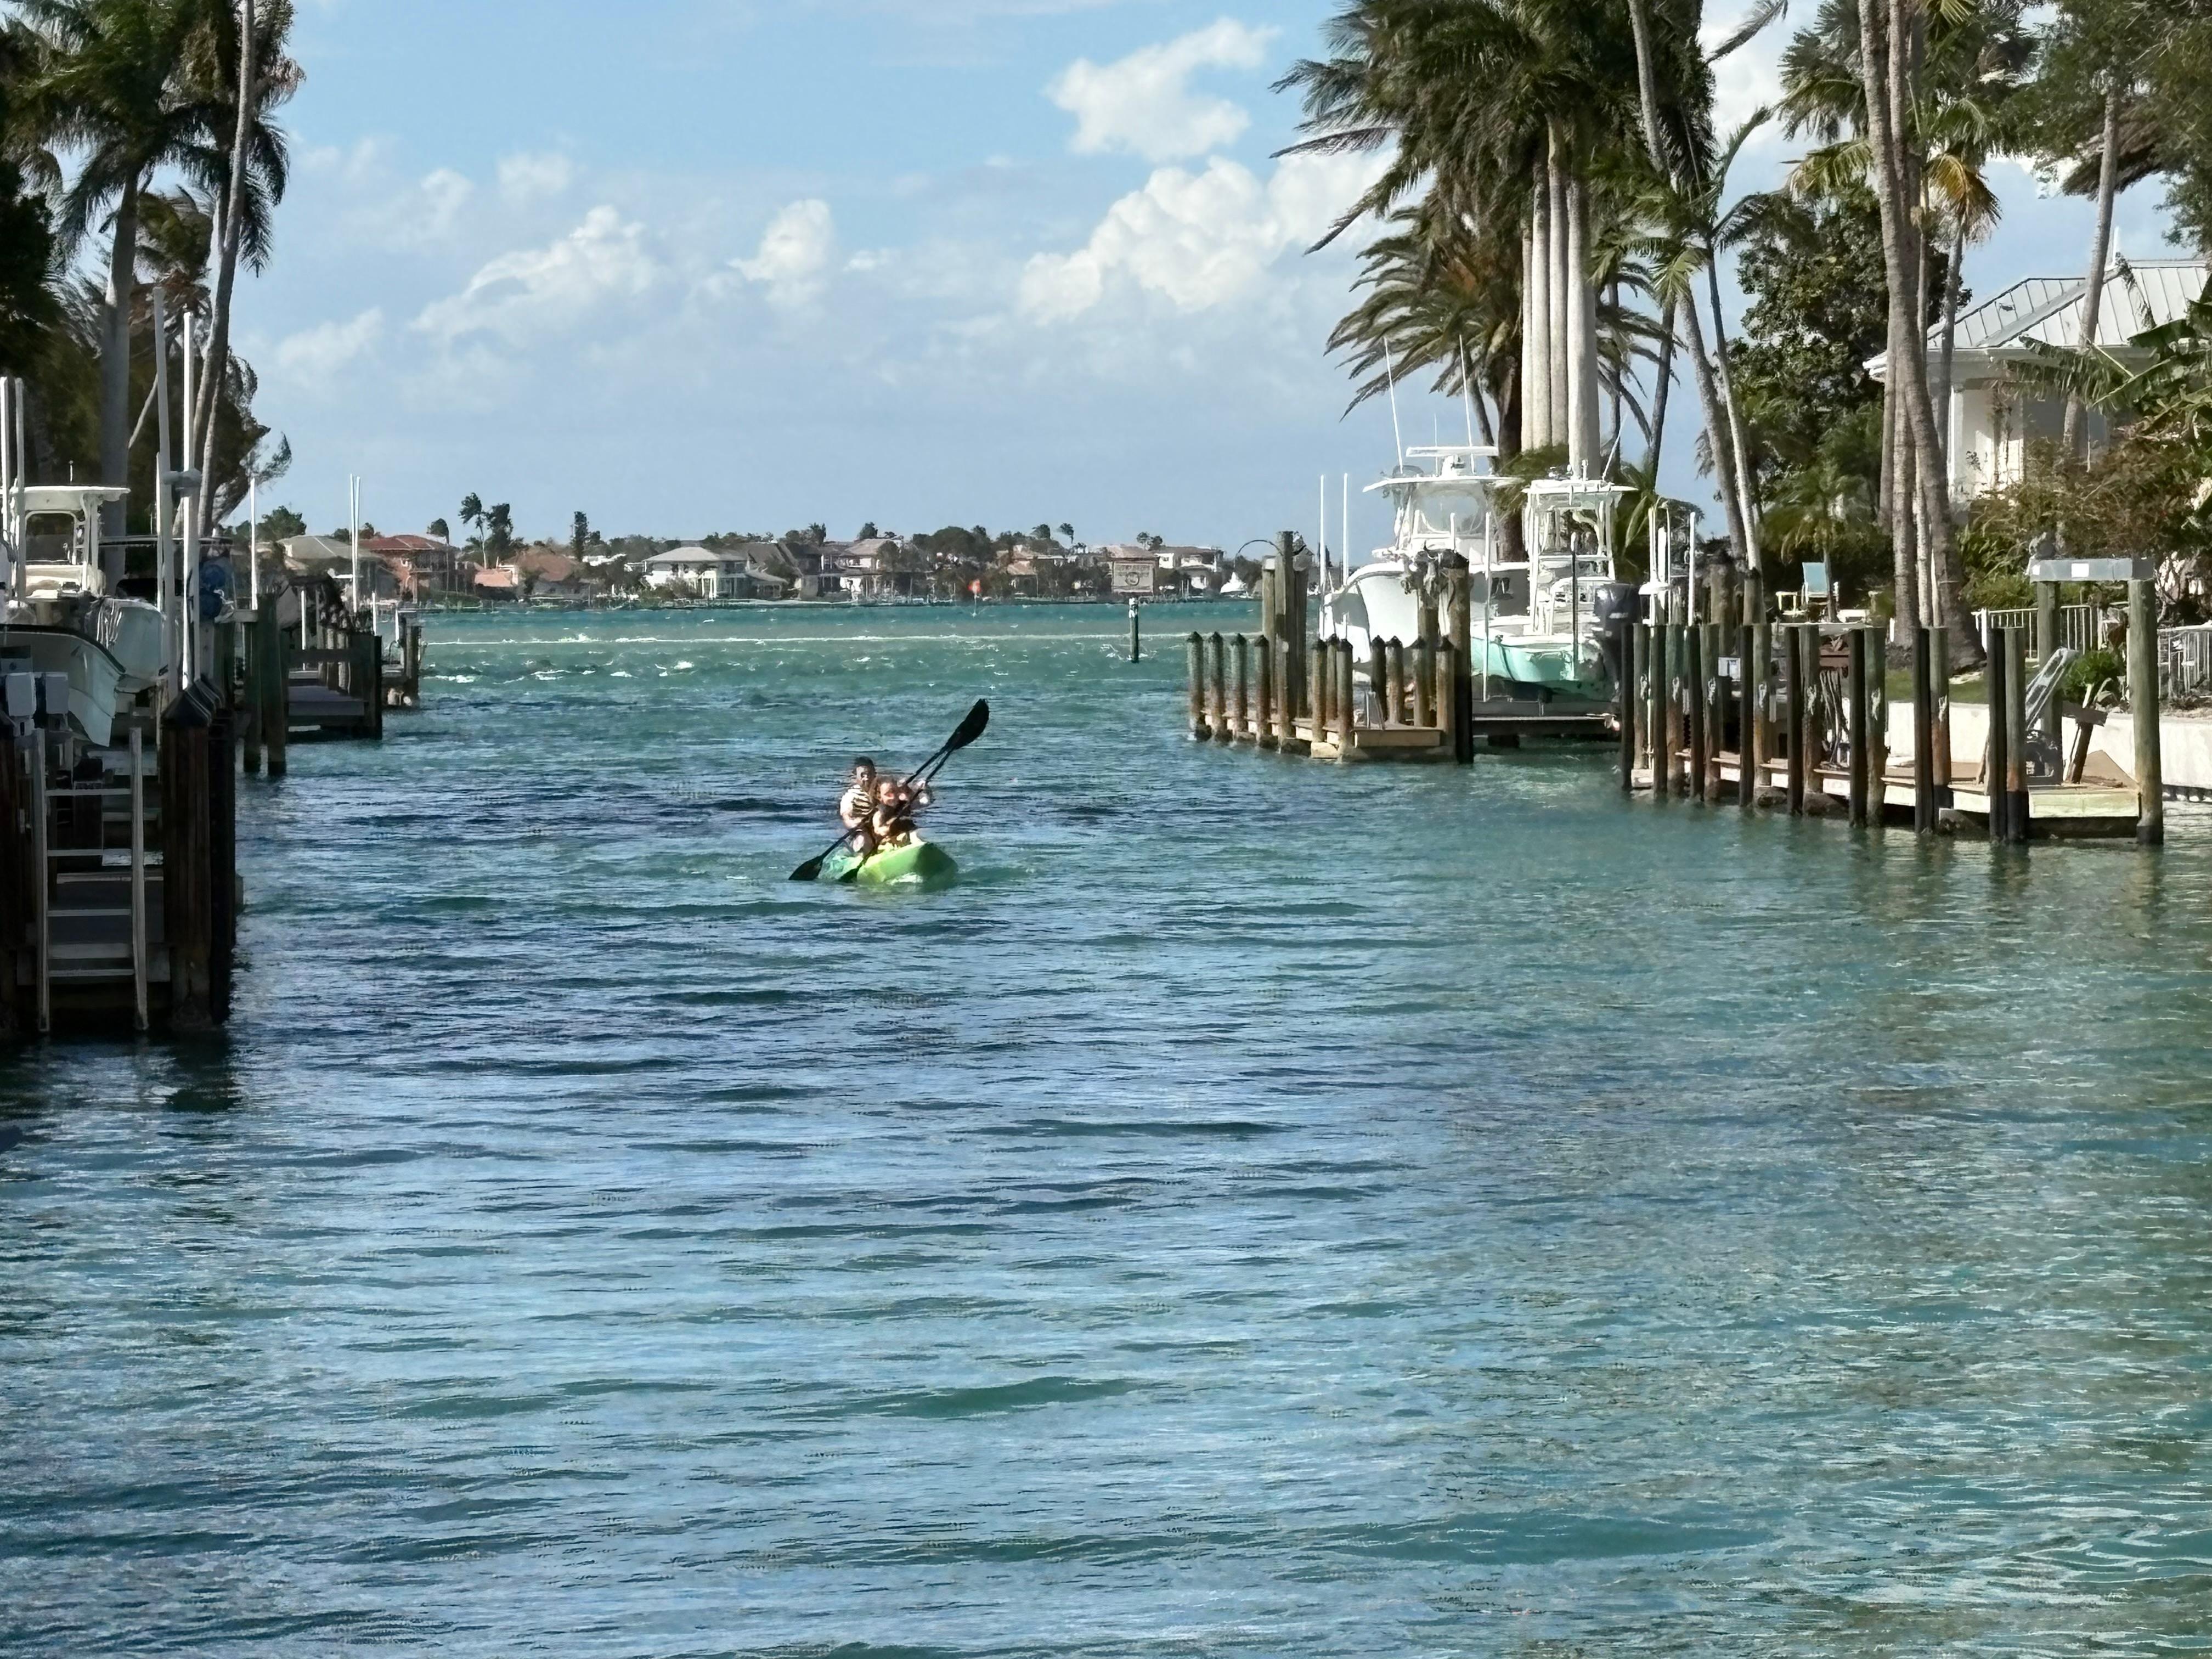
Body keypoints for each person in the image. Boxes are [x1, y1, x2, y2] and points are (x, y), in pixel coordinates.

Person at [838, 758, 879, 859]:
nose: (866, 778)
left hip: (882, 829)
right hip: (861, 832)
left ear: (875, 774)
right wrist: (854, 824)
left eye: (869, 774)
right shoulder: (850, 796)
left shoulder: (883, 792)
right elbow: (846, 816)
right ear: (855, 776)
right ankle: (862, 858)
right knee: (863, 839)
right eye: (862, 775)